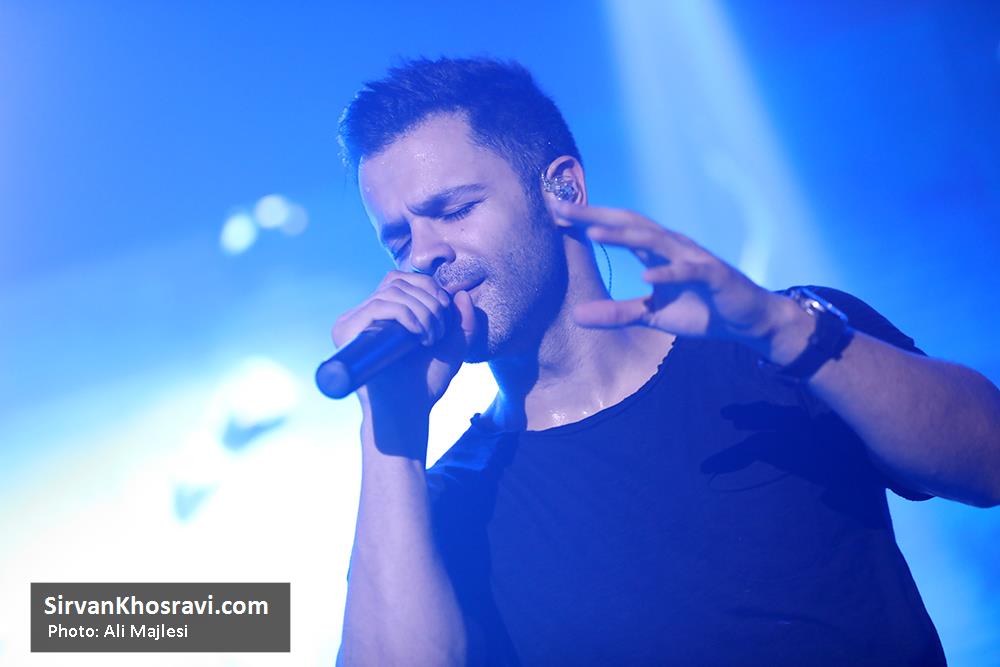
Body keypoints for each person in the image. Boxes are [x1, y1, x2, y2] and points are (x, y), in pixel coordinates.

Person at [331, 57, 1000, 666]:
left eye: (453, 210)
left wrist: (784, 330)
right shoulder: (446, 505)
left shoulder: (787, 342)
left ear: (562, 190)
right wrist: (391, 427)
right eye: (398, 240)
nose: (424, 255)